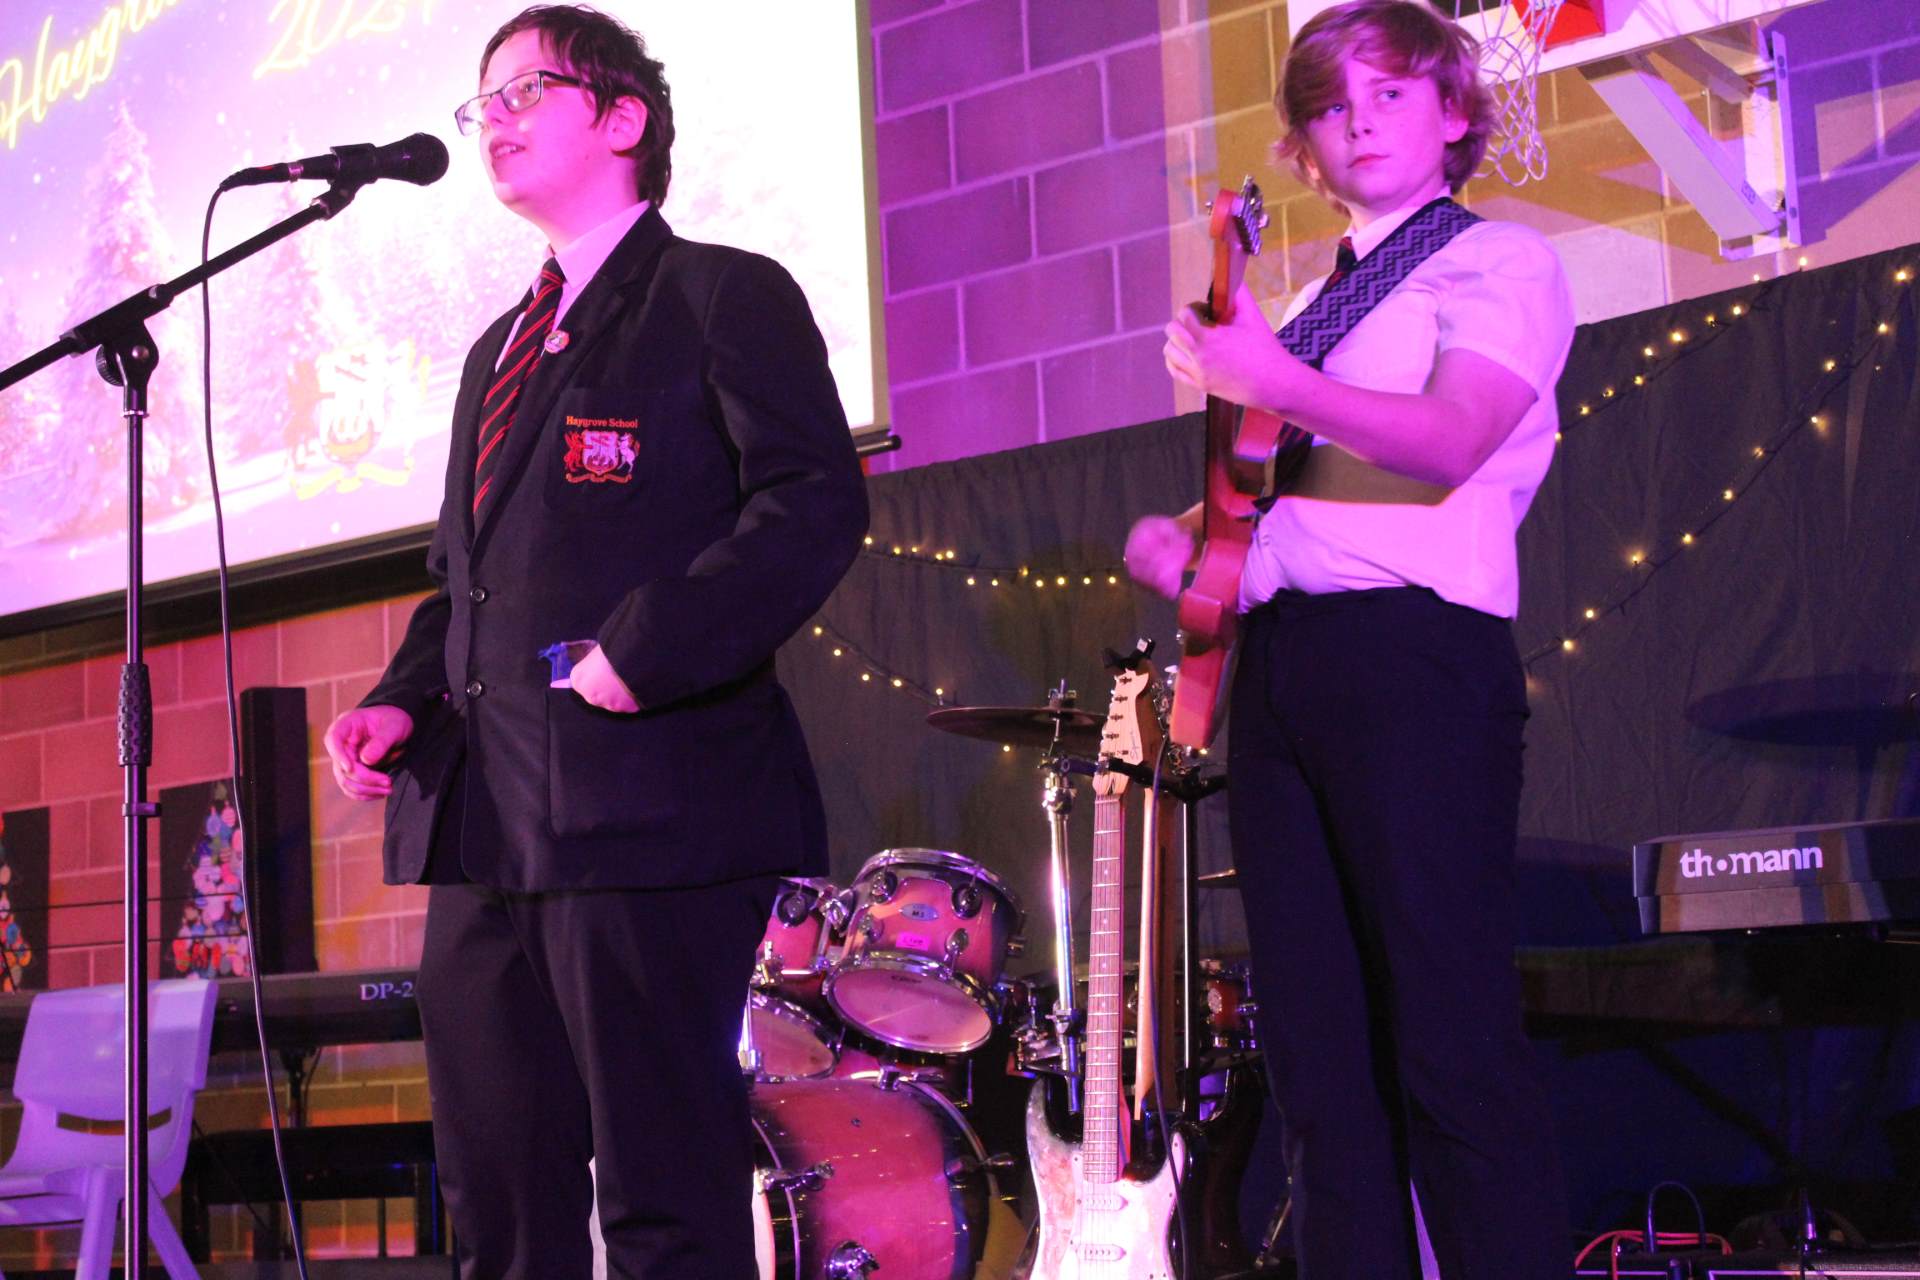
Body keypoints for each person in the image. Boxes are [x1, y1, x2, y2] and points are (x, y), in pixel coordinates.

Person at [320, 6, 868, 1276]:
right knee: (499, 1200)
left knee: (664, 1197)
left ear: (623, 118)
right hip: (486, 826)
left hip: (646, 812)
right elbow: (462, 582)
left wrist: (647, 648)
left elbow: (812, 503)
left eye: (526, 92)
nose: (493, 121)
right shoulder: (494, 351)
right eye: (483, 102)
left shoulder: (720, 293)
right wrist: (402, 698)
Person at [1127, 1, 1575, 1275]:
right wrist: (1183, 541)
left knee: (1450, 1041)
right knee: (1319, 1063)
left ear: (1453, 113)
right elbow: (1291, 491)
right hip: (1287, 672)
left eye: (1390, 94)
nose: (1360, 122)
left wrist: (1267, 378)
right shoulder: (1309, 302)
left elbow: (1448, 438)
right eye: (1330, 107)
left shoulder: (1499, 261)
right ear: (1304, 149)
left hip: (1414, 664)